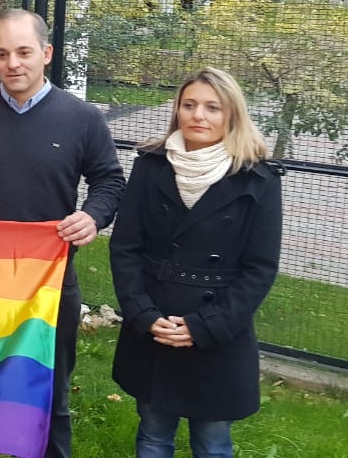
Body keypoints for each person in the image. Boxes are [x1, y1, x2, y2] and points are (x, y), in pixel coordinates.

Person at [0, 8, 126, 458]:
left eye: (23, 52)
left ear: (46, 53)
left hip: (48, 285)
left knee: (48, 394)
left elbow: (110, 180)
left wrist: (93, 215)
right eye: (2, 54)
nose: (12, 63)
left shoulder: (82, 117)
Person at [110, 67, 281, 458]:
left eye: (212, 107)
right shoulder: (151, 165)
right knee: (153, 433)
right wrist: (142, 314)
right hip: (157, 322)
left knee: (212, 441)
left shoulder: (258, 178)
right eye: (189, 105)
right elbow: (125, 247)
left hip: (217, 330)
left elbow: (260, 268)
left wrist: (205, 326)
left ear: (231, 114)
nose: (198, 116)